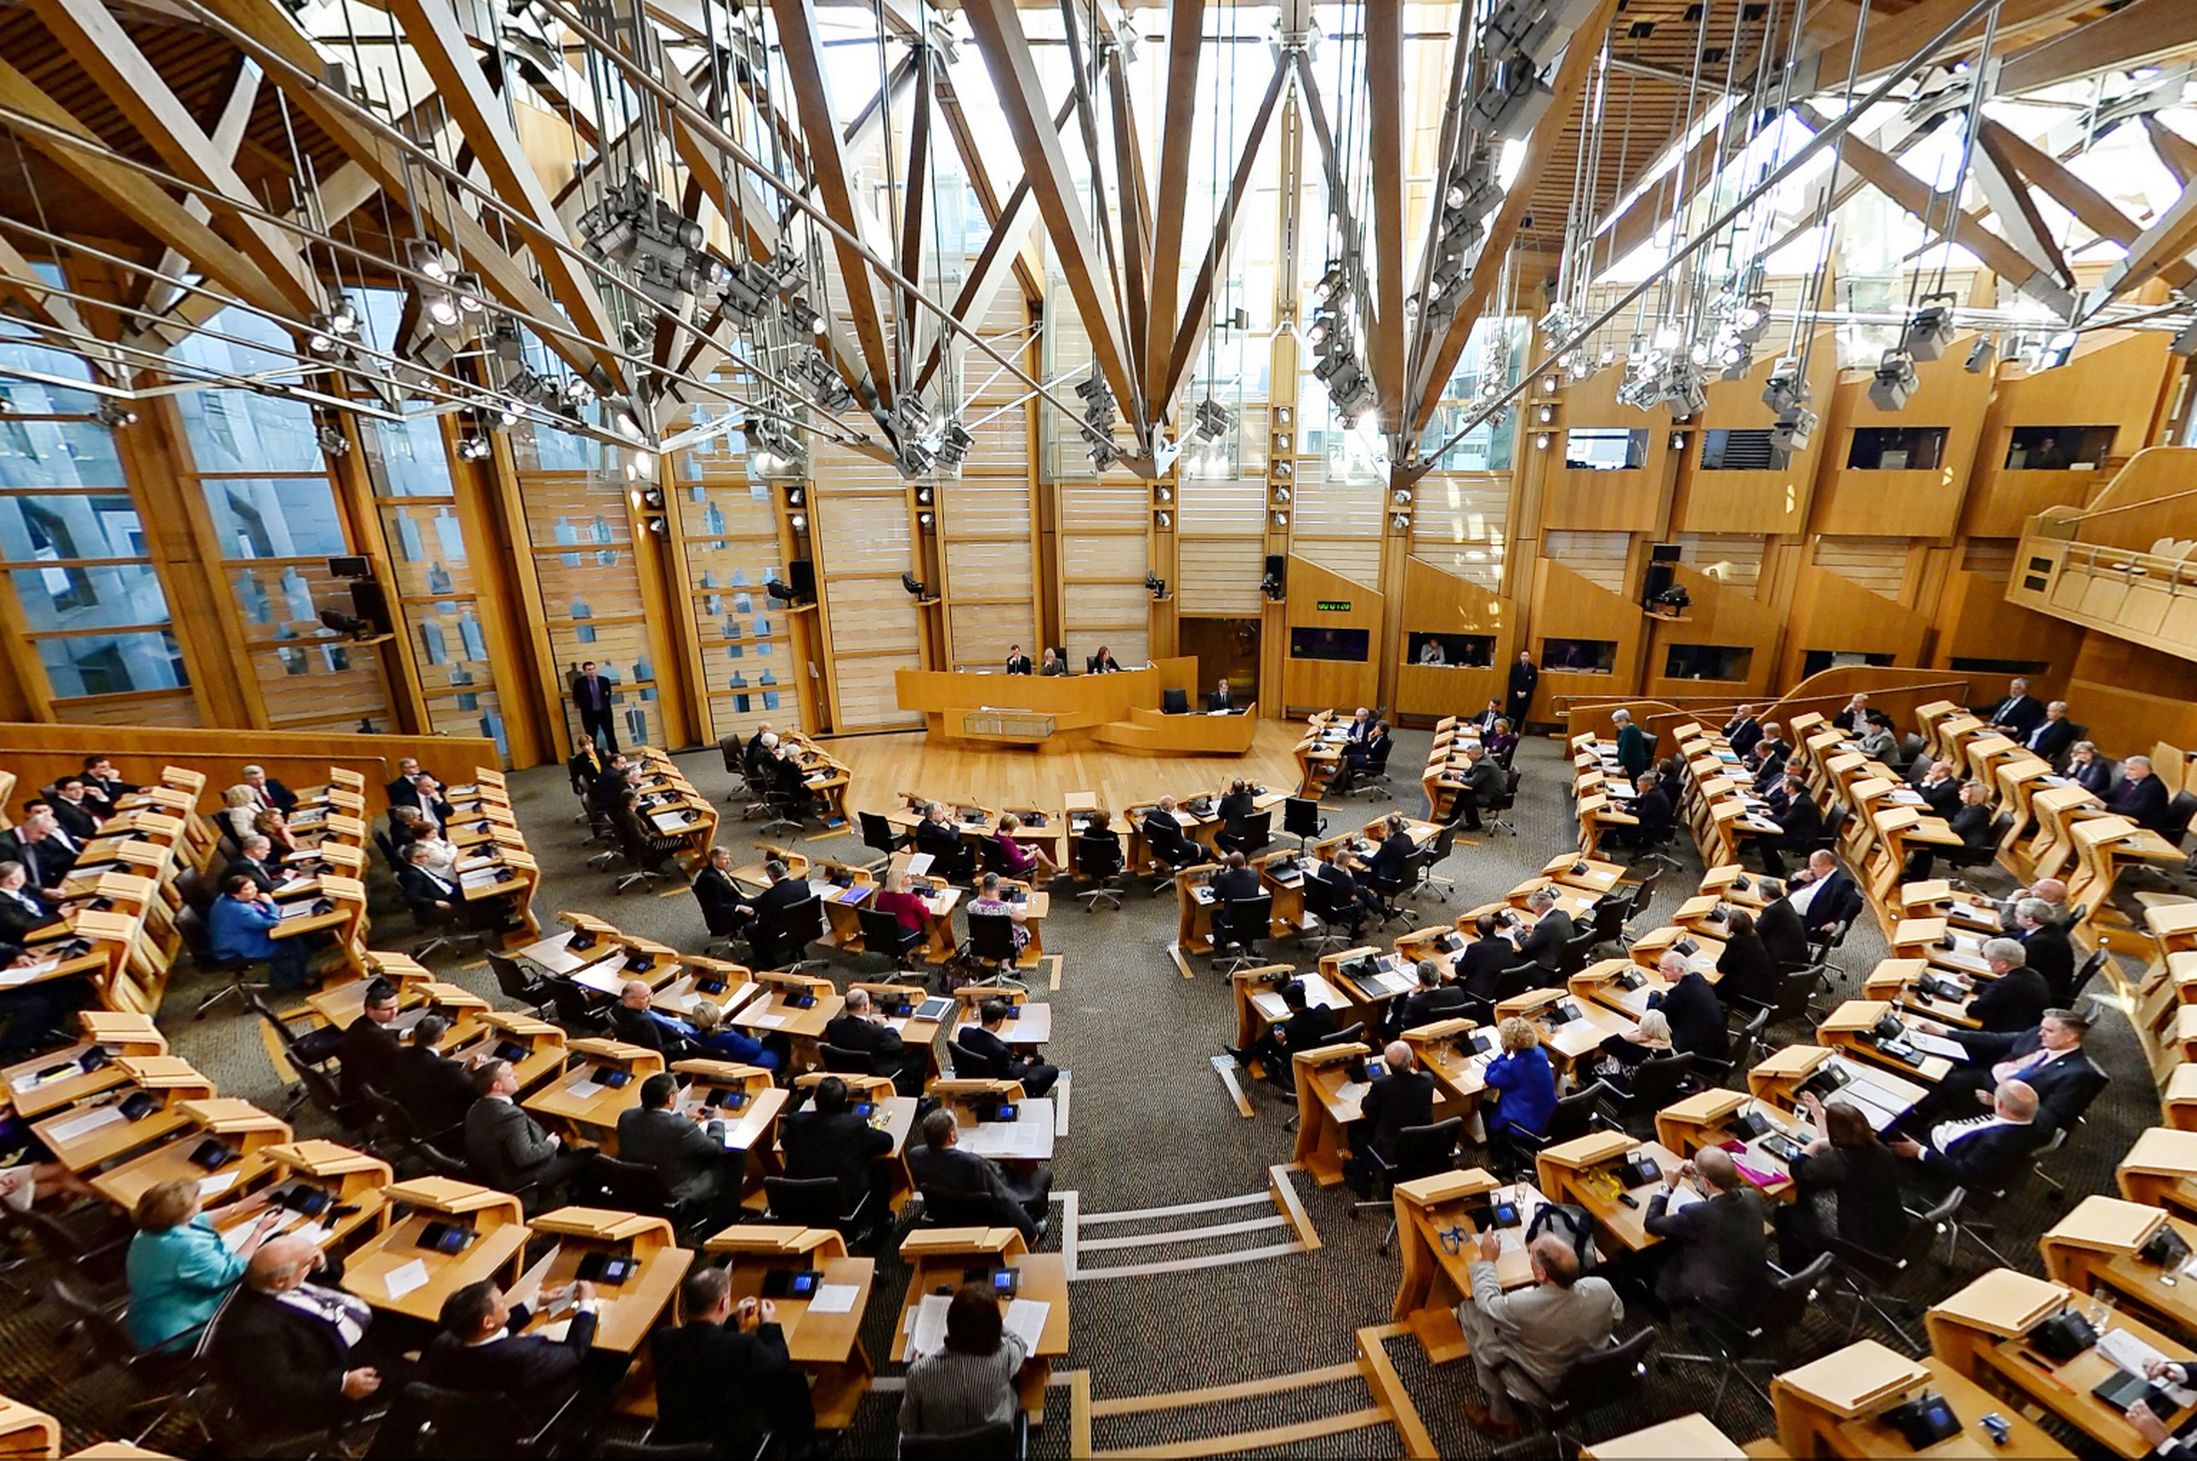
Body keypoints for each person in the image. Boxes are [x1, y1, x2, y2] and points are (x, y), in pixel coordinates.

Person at [211, 1234, 389, 1431]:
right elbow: (280, 1387)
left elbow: (332, 1271)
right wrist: (342, 1383)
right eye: (307, 1263)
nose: (312, 1265)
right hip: (338, 1367)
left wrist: (320, 1263)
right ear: (281, 1282)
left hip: (363, 1326)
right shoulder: (253, 1331)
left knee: (424, 1329)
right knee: (419, 1380)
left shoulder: (277, 1272)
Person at [1455, 1226, 1623, 1434]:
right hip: (1593, 1378)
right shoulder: (1602, 1288)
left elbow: (1486, 1301)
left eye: (1531, 1256)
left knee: (1468, 1311)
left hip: (1542, 1387)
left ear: (1541, 1273)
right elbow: (1618, 1317)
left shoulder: (1521, 1307)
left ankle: (1500, 1416)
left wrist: (1488, 1259)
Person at [653, 1267, 812, 1458]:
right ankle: (803, 1448)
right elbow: (779, 1362)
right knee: (792, 1381)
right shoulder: (743, 1345)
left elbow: (705, 1344)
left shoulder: (663, 1340)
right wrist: (768, 1325)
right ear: (723, 1303)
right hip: (729, 1446)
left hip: (674, 1441)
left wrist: (732, 1323)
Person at [126, 1177, 280, 1351]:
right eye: (196, 1199)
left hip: (145, 1313)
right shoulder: (189, 1247)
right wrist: (258, 1232)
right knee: (263, 1279)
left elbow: (198, 1220)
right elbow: (230, 1271)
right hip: (174, 1330)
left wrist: (239, 1207)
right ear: (183, 1213)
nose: (200, 1200)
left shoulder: (148, 1230)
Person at [1910, 1007, 2107, 1135]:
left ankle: (1922, 1136)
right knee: (1944, 1076)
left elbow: (2052, 1117)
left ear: (2070, 1037)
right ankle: (1916, 1119)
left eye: (2049, 1031)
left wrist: (2001, 1101)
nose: (2040, 1034)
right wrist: (1946, 1033)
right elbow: (1997, 1039)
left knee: (1948, 1085)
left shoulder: (2078, 1075)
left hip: (2005, 1107)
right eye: (2042, 1028)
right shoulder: (2040, 1036)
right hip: (1990, 1078)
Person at [1774, 1092, 1907, 1268]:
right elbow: (1832, 1153)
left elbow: (1798, 1169)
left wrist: (1813, 1146)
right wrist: (1818, 1115)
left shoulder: (1840, 1161)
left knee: (1786, 1213)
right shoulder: (1880, 1149)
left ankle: (1797, 1273)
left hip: (1859, 1241)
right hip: (1895, 1228)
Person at [1645, 1149, 1770, 1324]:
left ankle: (1665, 1309)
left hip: (1721, 1296)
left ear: (1706, 1182)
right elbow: (1720, 1200)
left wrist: (1668, 1185)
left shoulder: (1696, 1215)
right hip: (1757, 1287)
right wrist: (1699, 1179)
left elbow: (1651, 1223)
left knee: (1657, 1252)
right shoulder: (1752, 1197)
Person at [425, 1277, 596, 1397]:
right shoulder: (525, 1354)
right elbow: (573, 1352)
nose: (505, 1302)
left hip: (472, 1422)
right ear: (487, 1322)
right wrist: (586, 1304)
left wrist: (536, 1302)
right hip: (533, 1414)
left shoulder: (444, 1343)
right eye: (501, 1303)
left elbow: (491, 1332)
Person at [900, 1282, 1028, 1441]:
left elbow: (908, 1427)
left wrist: (917, 1365)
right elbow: (1020, 1343)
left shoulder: (919, 1372)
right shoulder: (1004, 1356)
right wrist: (990, 1323)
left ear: (949, 1324)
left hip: (939, 1452)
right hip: (993, 1448)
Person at [908, 1108, 1051, 1243]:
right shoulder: (973, 1164)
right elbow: (1003, 1199)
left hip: (945, 1213)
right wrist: (1031, 1234)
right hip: (985, 1214)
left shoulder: (914, 1155)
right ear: (952, 1136)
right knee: (1043, 1176)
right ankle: (1034, 1219)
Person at [617, 1073, 743, 1227]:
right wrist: (717, 1121)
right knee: (733, 1157)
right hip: (675, 1192)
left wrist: (681, 1115)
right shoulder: (680, 1127)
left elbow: (654, 1125)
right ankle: (722, 1223)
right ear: (670, 1098)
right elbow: (715, 1147)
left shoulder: (626, 1117)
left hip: (636, 1189)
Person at [462, 1058, 593, 1198]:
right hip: (524, 1180)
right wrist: (550, 1145)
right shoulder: (510, 1116)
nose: (516, 1076)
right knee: (589, 1155)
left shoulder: (475, 1108)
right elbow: (526, 1157)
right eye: (510, 1075)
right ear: (497, 1086)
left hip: (493, 1177)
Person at [1888, 1079, 2049, 1191]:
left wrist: (1919, 1152)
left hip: (1936, 1157)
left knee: (1884, 1126)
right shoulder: (2029, 1124)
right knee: (1902, 1113)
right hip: (1944, 1135)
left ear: (2001, 1105)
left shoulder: (1994, 1142)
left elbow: (1962, 1171)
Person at [780, 1075, 896, 1222]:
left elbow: (784, 1143)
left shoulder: (796, 1121)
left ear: (815, 1099)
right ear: (845, 1101)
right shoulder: (854, 1125)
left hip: (796, 1202)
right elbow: (887, 1142)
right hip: (840, 1206)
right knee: (881, 1168)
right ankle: (881, 1223)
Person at [1347, 1042, 1435, 1194]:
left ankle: (1361, 1168)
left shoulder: (1381, 1085)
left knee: (1355, 1129)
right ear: (1412, 1061)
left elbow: (1367, 1109)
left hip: (1390, 1151)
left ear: (1387, 1064)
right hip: (1423, 1144)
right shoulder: (1427, 1080)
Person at [209, 873, 316, 990]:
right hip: (238, 949)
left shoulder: (226, 899)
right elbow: (270, 923)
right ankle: (292, 982)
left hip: (241, 939)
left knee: (295, 939)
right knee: (290, 947)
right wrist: (269, 902)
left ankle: (292, 977)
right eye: (247, 889)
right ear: (235, 893)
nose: (254, 890)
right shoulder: (239, 910)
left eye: (253, 886)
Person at [1225, 978, 1336, 1084]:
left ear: (1289, 1005)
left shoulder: (1291, 1028)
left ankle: (1247, 1055)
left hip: (1305, 1057)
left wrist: (1283, 1043)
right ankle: (1247, 1054)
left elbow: (1291, 1054)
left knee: (1272, 1036)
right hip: (1327, 1050)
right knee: (1275, 1028)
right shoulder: (1323, 1009)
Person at [825, 987, 927, 1095]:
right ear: (865, 1006)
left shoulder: (832, 1026)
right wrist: (887, 1026)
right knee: (920, 1056)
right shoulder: (877, 1032)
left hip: (845, 1072)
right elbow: (899, 1046)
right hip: (875, 1074)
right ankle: (915, 1097)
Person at [390, 1013, 478, 1139]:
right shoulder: (445, 1070)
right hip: (436, 1125)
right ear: (441, 1037)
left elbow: (433, 1063)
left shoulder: (402, 1053)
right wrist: (477, 1072)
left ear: (414, 1034)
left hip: (407, 1111)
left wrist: (464, 1065)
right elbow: (475, 1092)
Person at [958, 998, 1061, 1097]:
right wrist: (1025, 1062)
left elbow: (984, 1043)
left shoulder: (964, 1032)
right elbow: (1012, 1074)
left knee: (1038, 1059)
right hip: (999, 1083)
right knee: (1051, 1070)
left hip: (970, 1075)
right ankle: (1027, 1095)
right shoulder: (999, 1050)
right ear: (998, 1022)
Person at [1485, 1018, 1557, 1145]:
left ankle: (1497, 1154)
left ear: (1508, 1042)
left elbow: (1489, 1078)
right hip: (1549, 1118)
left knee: (1485, 1106)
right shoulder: (1541, 1053)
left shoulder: (1510, 1068)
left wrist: (1503, 1055)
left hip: (1527, 1127)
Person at [1647, 950, 1729, 1061]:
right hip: (1718, 1046)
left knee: (1651, 1034)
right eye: (1660, 968)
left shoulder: (1679, 993)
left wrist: (1653, 996)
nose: (1661, 973)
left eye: (1665, 970)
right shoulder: (1697, 978)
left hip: (1701, 1057)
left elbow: (1653, 1016)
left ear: (1680, 970)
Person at [337, 979, 401, 1104]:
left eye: (396, 1006)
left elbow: (386, 1033)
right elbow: (404, 1060)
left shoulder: (359, 1023)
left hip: (353, 1083)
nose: (394, 1012)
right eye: (387, 1009)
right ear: (370, 1010)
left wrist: (406, 1033)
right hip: (368, 1094)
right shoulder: (380, 1038)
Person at [1584, 1009, 1675, 1091]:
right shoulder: (1667, 1046)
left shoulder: (1635, 1051)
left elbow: (1604, 1044)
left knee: (1584, 1067)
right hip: (1653, 1088)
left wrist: (1627, 1037)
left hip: (1626, 1085)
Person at [2010, 898, 2075, 1003]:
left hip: (2039, 991)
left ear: (2029, 920)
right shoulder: (2046, 927)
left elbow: (2017, 967)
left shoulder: (2040, 942)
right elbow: (2016, 936)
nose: (2015, 916)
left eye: (2018, 914)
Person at [685, 1000, 780, 1071]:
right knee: (780, 1040)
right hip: (750, 1064)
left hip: (725, 1065)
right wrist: (756, 1040)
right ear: (719, 1017)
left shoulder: (693, 1038)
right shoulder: (730, 1038)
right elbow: (754, 1050)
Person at [609, 980, 694, 1059]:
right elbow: (658, 1050)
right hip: (668, 1051)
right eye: (645, 997)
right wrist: (682, 1044)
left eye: (650, 994)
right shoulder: (645, 1022)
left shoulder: (618, 1005)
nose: (650, 999)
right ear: (630, 1000)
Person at [1786, 850, 1862, 937]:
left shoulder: (1841, 882)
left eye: (1815, 865)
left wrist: (1837, 922)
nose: (1811, 868)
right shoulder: (1815, 874)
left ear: (1827, 866)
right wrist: (1796, 876)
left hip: (1810, 924)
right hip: (1791, 911)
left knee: (1771, 921)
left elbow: (1855, 902)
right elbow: (1790, 887)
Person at [1714, 909, 1778, 1010]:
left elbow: (1721, 967)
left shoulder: (1735, 942)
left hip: (1747, 993)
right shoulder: (1755, 936)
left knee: (1711, 986)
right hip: (1765, 989)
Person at [1393, 958, 1471, 1036]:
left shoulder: (1414, 1002)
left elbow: (1404, 1022)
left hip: (1421, 1037)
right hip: (1448, 1033)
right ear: (1439, 978)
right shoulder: (1457, 992)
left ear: (1420, 981)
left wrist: (1410, 995)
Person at [692, 846, 754, 942]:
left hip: (734, 901)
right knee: (763, 905)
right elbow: (716, 906)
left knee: (765, 899)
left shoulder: (719, 870)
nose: (728, 861)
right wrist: (740, 907)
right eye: (725, 859)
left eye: (729, 858)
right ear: (714, 860)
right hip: (724, 915)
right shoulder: (710, 879)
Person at [967, 873, 1033, 960]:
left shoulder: (971, 905)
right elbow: (1023, 917)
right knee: (1023, 930)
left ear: (983, 888)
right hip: (1004, 944)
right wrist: (1012, 905)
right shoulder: (1006, 907)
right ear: (998, 888)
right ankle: (1005, 963)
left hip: (981, 942)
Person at [1454, 915, 1520, 1001]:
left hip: (1482, 993)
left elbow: (1460, 971)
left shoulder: (1474, 948)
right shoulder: (1506, 943)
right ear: (1495, 927)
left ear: (1477, 930)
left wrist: (1456, 962)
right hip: (1505, 989)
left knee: (1455, 982)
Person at [1514, 888, 1575, 978]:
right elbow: (1552, 928)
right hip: (1565, 958)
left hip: (1548, 965)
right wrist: (1533, 926)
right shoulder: (1564, 914)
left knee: (1515, 955)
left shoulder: (1544, 927)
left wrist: (1519, 932)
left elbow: (1526, 945)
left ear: (1539, 908)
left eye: (1533, 908)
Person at [2108, 754, 2174, 833]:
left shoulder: (2153, 787)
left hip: (2142, 825)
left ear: (2147, 771)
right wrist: (2093, 798)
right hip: (2122, 816)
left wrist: (2106, 806)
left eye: (2132, 769)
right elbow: (2113, 793)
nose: (2126, 772)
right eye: (2126, 768)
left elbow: (2136, 812)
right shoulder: (2129, 778)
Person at [1446, 744, 1505, 832]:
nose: (1467, 756)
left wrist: (1460, 778)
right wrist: (1461, 774)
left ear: (1478, 754)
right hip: (1485, 788)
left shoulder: (1484, 765)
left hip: (1491, 794)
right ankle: (1452, 818)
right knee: (1462, 792)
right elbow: (1470, 771)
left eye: (1469, 754)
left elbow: (1472, 783)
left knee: (1468, 800)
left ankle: (1475, 824)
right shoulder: (1481, 759)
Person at [1140, 797, 1205, 870]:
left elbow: (1145, 831)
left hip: (1156, 848)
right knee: (1205, 850)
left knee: (1192, 841)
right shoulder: (1173, 824)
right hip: (1172, 853)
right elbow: (1180, 845)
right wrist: (1196, 846)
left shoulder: (1151, 815)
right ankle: (1190, 872)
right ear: (1170, 809)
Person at [0, 861, 56, 945]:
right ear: (13, 881)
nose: (25, 876)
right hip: (33, 940)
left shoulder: (21, 887)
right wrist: (58, 916)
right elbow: (24, 927)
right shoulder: (2, 904)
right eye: (22, 873)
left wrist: (60, 906)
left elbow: (41, 905)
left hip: (46, 923)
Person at [992, 813, 1056, 882]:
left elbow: (1006, 848)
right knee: (1034, 857)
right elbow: (1018, 860)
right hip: (1012, 865)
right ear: (1010, 828)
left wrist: (1021, 847)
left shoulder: (997, 832)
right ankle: (1035, 884)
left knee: (1034, 847)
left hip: (1005, 859)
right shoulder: (1007, 842)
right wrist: (1030, 855)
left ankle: (1052, 866)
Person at [572, 659, 619, 752]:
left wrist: (605, 704)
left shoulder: (604, 680)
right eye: (589, 669)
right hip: (589, 713)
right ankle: (594, 753)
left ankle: (614, 752)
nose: (592, 671)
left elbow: (608, 694)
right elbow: (576, 696)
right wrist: (584, 706)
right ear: (585, 671)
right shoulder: (580, 682)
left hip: (604, 712)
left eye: (593, 669)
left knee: (609, 733)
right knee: (591, 735)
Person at [1756, 893, 1811, 971]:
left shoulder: (1773, 911)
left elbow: (1755, 931)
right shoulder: (1785, 903)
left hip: (1783, 963)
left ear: (1763, 895)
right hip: (1798, 958)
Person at [1622, 768, 1673, 849]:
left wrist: (1624, 809)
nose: (1637, 787)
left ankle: (1632, 844)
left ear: (1646, 785)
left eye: (1639, 785)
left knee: (1623, 824)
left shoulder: (1653, 796)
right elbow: (1640, 800)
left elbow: (1642, 814)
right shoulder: (1654, 789)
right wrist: (1626, 802)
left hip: (1654, 826)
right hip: (1656, 820)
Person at [222, 834, 289, 895]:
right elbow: (267, 887)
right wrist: (287, 877)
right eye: (267, 849)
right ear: (256, 850)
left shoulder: (248, 858)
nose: (268, 852)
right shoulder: (244, 865)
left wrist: (294, 864)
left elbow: (269, 868)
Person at [45, 777, 105, 843]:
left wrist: (100, 796)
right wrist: (76, 840)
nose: (79, 791)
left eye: (81, 788)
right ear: (61, 792)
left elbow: (110, 813)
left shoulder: (86, 797)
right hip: (92, 839)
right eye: (72, 789)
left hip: (103, 830)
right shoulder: (58, 808)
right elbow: (63, 829)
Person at [1980, 677, 2044, 737]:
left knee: (1972, 739)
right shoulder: (2006, 699)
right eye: (2012, 688)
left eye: (2016, 688)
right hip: (1990, 726)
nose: (2012, 690)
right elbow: (1991, 708)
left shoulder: (2032, 704)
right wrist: (1970, 710)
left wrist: (2011, 729)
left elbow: (2031, 723)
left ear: (2024, 689)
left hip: (2005, 732)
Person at [873, 869, 931, 933]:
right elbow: (926, 917)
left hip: (888, 935)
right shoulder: (910, 898)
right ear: (901, 881)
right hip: (909, 937)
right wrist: (924, 903)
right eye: (907, 875)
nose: (910, 876)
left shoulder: (881, 896)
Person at [230, 764, 299, 817]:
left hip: (285, 813)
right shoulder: (244, 792)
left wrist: (278, 809)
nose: (259, 781)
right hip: (266, 822)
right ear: (246, 780)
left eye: (261, 778)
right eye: (254, 779)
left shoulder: (273, 783)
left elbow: (293, 798)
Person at [1611, 709, 1651, 780]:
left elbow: (1625, 752)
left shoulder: (1630, 732)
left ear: (1624, 720)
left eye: (1617, 722)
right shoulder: (1628, 730)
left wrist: (1622, 765)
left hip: (1632, 767)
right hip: (1631, 764)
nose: (1615, 725)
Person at [1506, 651, 1539, 727]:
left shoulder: (1533, 668)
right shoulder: (1515, 667)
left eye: (1526, 656)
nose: (1524, 658)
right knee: (1511, 713)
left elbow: (1533, 683)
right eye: (1523, 656)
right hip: (1515, 694)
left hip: (1526, 695)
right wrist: (1517, 691)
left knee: (1522, 714)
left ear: (1529, 657)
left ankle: (1517, 731)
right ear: (1520, 657)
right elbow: (1512, 681)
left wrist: (1526, 692)